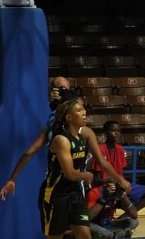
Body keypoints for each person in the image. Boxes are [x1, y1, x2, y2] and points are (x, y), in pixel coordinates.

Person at [1, 80, 131, 201]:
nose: (84, 112)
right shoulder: (79, 133)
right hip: (62, 187)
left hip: (66, 186)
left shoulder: (53, 128)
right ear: (69, 114)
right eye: (80, 109)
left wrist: (12, 179)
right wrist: (119, 179)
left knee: (80, 226)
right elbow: (101, 162)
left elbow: (28, 153)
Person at [39, 97, 95, 239]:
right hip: (56, 195)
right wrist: (87, 176)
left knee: (85, 236)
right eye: (79, 110)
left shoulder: (81, 138)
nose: (84, 112)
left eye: (83, 109)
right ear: (69, 117)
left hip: (74, 193)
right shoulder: (61, 140)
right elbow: (69, 173)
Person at [90, 120, 145, 214]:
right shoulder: (100, 149)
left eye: (118, 131)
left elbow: (121, 175)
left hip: (119, 186)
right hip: (105, 187)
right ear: (106, 133)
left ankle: (123, 219)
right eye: (113, 131)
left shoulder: (120, 150)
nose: (117, 133)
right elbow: (95, 180)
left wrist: (124, 186)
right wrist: (109, 181)